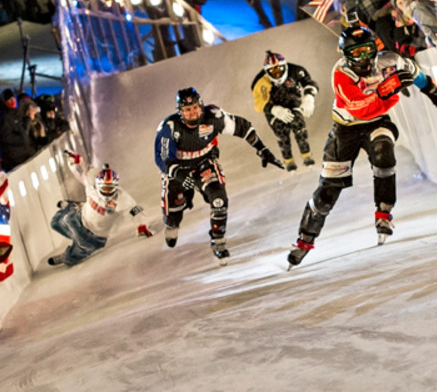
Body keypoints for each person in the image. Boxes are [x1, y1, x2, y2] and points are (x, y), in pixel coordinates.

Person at [286, 25, 437, 268]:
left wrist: (431, 89)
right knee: (327, 191)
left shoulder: (390, 62)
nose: (363, 59)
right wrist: (386, 88)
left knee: (384, 153)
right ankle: (304, 240)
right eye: (355, 54)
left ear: (376, 48)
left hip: (377, 123)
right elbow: (359, 107)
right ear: (344, 56)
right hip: (345, 129)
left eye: (367, 51)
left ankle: (384, 211)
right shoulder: (341, 73)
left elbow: (413, 72)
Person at [154, 87, 284, 262]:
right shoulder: (169, 127)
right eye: (187, 110)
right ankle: (172, 223)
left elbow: (242, 127)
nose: (192, 113)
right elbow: (161, 157)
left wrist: (263, 150)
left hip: (204, 163)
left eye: (194, 108)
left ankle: (218, 241)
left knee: (219, 199)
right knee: (173, 213)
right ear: (179, 112)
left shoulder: (214, 116)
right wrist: (178, 173)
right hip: (178, 171)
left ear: (201, 105)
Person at [47, 154, 151, 267]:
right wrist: (73, 162)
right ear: (98, 184)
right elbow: (79, 171)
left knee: (70, 258)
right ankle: (72, 207)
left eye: (110, 188)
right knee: (55, 223)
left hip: (94, 237)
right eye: (105, 188)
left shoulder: (122, 198)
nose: (107, 192)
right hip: (78, 219)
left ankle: (68, 254)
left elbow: (136, 211)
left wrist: (142, 226)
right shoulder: (90, 183)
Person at [250, 51, 318, 169]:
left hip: (293, 101)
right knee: (281, 132)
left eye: (279, 69)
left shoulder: (296, 71)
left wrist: (309, 97)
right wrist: (272, 109)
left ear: (285, 66)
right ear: (267, 72)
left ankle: (306, 155)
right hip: (274, 108)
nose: (277, 74)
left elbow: (309, 82)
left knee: (299, 126)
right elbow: (258, 102)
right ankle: (288, 160)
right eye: (273, 72)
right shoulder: (260, 81)